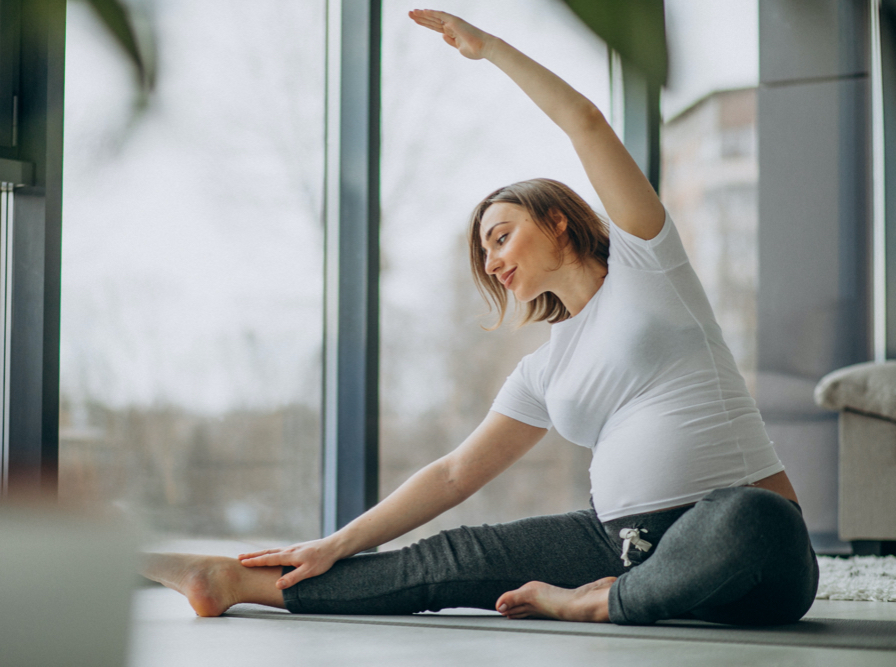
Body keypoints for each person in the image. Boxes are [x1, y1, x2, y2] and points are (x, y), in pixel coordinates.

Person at [141, 9, 818, 625]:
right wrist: (338, 540)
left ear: (557, 219)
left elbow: (586, 120)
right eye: (482, 253)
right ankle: (229, 581)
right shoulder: (544, 367)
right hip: (615, 541)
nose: (491, 262)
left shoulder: (649, 265)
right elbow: (452, 474)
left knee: (755, 521)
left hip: (744, 545)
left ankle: (600, 602)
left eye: (499, 235)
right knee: (453, 556)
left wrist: (490, 49)